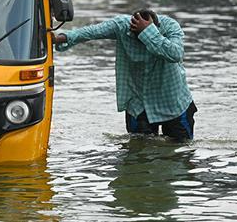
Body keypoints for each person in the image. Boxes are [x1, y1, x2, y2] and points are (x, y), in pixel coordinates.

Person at [52, 9, 197, 142]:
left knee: (181, 152)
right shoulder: (122, 26)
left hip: (174, 103)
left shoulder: (170, 26)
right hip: (138, 104)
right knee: (138, 152)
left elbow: (176, 54)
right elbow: (91, 32)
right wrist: (61, 37)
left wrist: (148, 32)